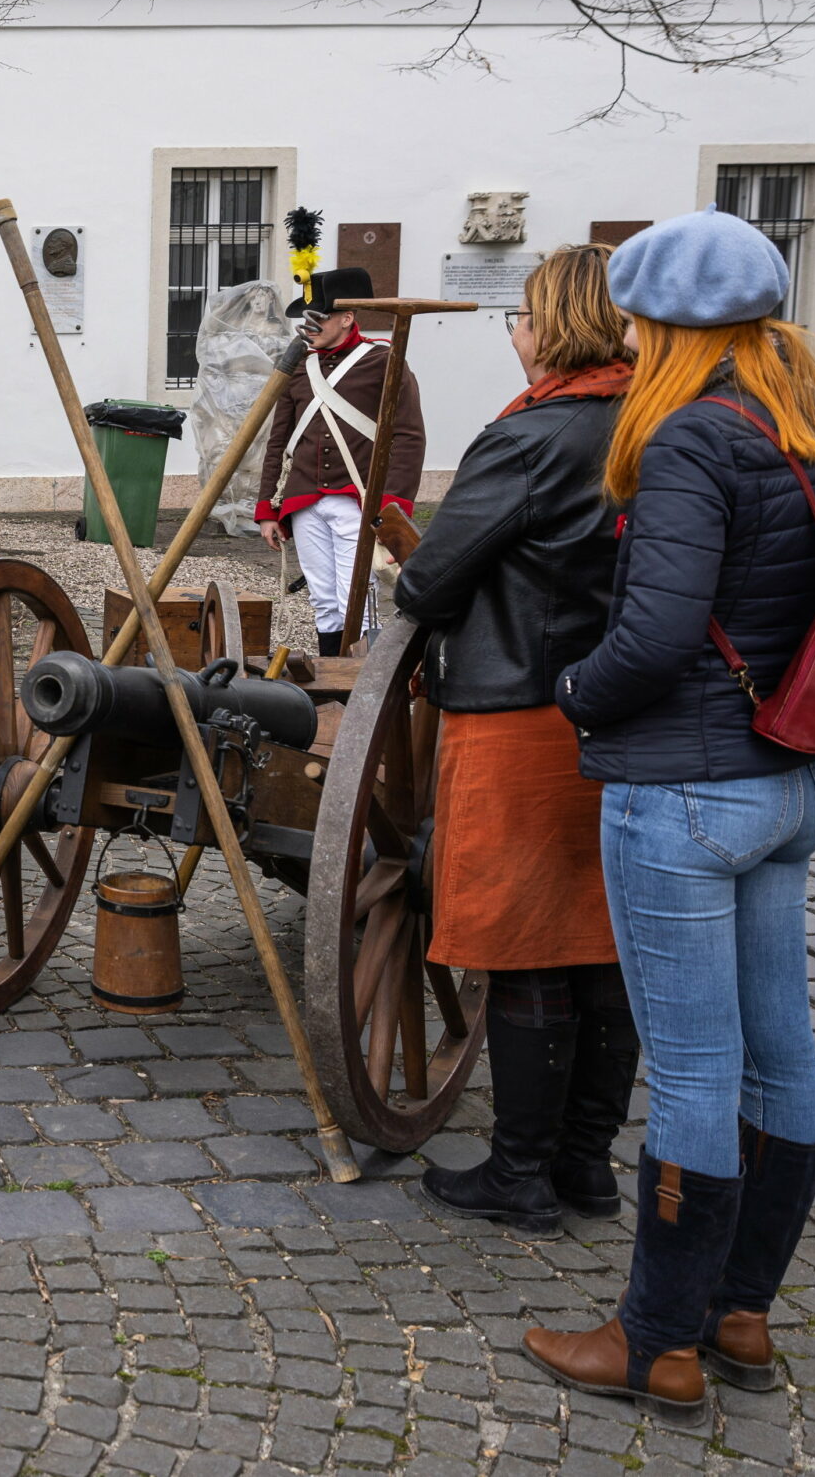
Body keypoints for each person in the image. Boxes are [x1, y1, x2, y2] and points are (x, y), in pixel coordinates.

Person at [525, 208, 815, 1419]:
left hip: (683, 792)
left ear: (663, 324)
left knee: (692, 1072)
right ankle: (740, 1310)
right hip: (788, 780)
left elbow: (657, 635)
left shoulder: (685, 439)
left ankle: (656, 1342)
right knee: (784, 1060)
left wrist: (573, 690)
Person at [395, 245, 638, 1236]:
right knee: (602, 939)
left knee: (531, 940)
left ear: (555, 327)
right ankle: (586, 1164)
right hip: (625, 710)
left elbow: (430, 580)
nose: (514, 333)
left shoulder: (534, 436)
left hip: (521, 711)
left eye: (522, 316)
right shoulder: (658, 419)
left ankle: (521, 1171)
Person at [256, 266, 425, 655]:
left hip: (358, 501)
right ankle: (333, 678)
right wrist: (268, 507)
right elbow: (278, 440)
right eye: (307, 318)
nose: (310, 325)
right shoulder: (300, 366)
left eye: (322, 316)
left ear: (347, 318)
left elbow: (408, 436)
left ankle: (360, 688)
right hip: (305, 501)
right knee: (324, 602)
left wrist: (392, 505)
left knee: (358, 604)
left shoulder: (384, 361)